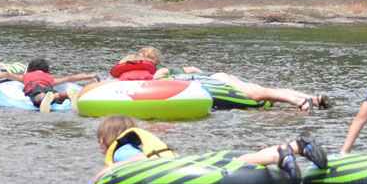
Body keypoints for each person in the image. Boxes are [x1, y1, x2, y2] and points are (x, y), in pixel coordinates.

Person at [92, 115, 328, 182]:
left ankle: (287, 152)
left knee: (237, 163)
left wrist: (109, 170)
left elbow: (141, 161)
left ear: (105, 139)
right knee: (241, 159)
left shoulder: (121, 150)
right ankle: (292, 147)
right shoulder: (132, 140)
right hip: (180, 162)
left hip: (174, 169)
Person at [138, 46, 329, 111]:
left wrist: (152, 80)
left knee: (257, 93)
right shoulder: (172, 68)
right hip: (214, 76)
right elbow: (193, 68)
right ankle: (313, 98)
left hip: (215, 80)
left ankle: (299, 102)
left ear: (146, 59)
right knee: (264, 90)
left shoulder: (159, 70)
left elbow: (162, 75)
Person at [0, 58, 99, 112]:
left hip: (35, 87)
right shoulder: (50, 78)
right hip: (48, 87)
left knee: (38, 96)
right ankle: (67, 94)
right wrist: (89, 76)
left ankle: (44, 98)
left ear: (29, 70)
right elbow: (70, 78)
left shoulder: (26, 77)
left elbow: (7, 74)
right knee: (56, 96)